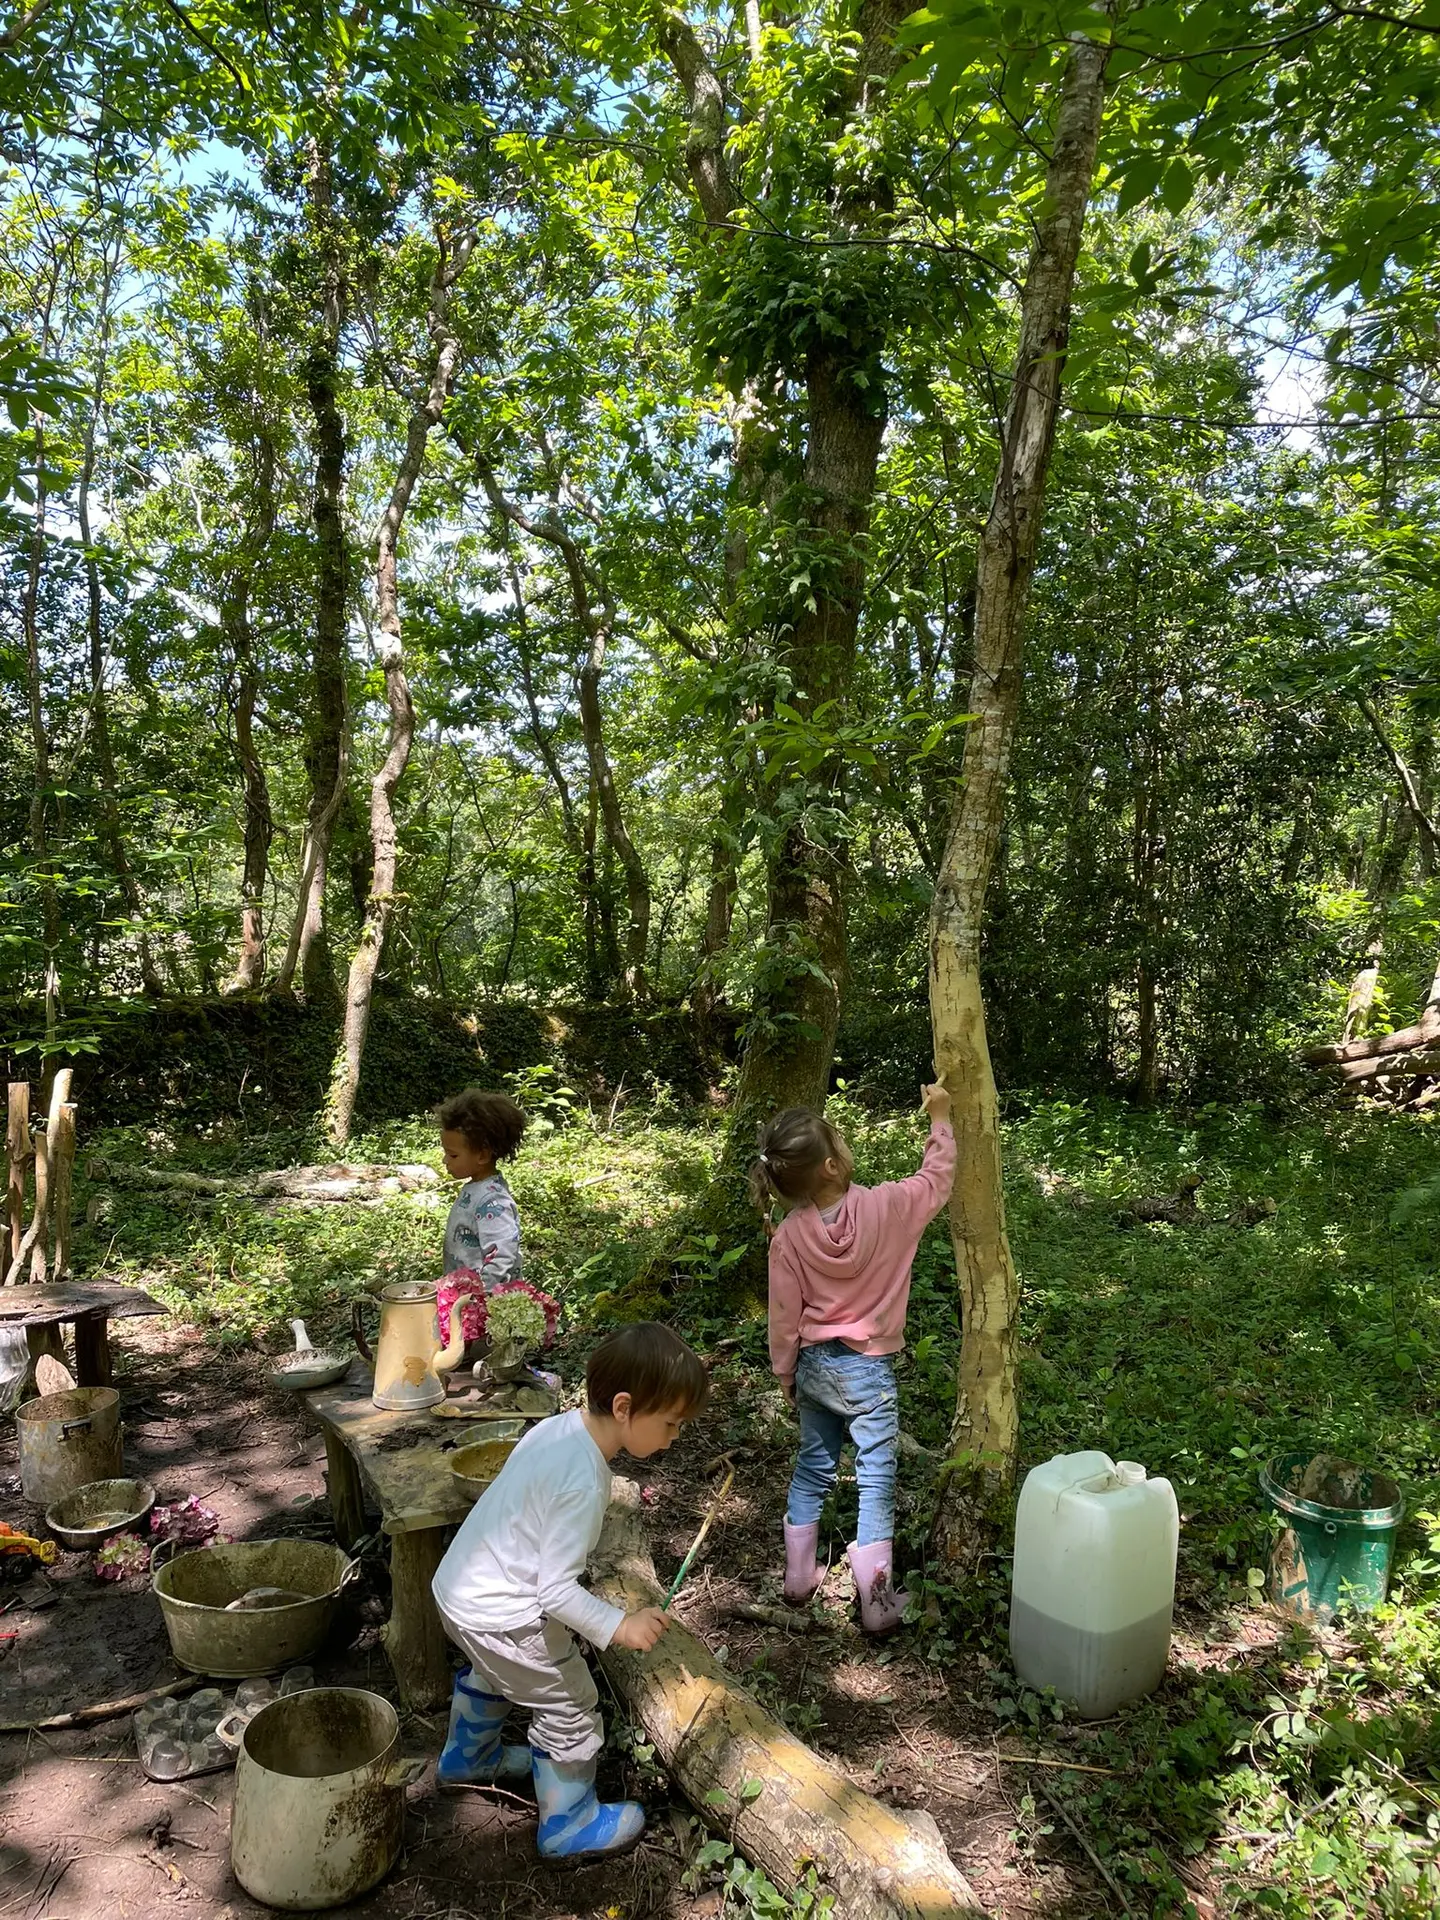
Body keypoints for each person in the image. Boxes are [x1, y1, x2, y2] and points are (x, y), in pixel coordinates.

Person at [430, 1321, 709, 1862]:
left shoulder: (557, 1429)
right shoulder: (584, 1478)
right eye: (672, 1424)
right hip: (503, 1613)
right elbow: (554, 1591)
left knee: (495, 1667)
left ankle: (468, 1760)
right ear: (625, 1407)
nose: (675, 1438)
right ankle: (569, 1823)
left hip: (461, 1592)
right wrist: (618, 1625)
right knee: (571, 1703)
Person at [753, 1084, 955, 1633]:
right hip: (868, 1369)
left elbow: (782, 1318)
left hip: (815, 1365)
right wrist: (940, 1119)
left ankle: (797, 1579)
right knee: (876, 1476)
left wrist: (786, 1374)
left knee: (813, 1464)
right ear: (833, 1164)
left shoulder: (789, 1237)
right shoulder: (888, 1206)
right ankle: (877, 1603)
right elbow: (936, 1181)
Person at [437, 1088, 527, 1366]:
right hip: (463, 1304)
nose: (445, 1161)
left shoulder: (493, 1201)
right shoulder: (476, 1188)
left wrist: (479, 1303)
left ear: (482, 1154)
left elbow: (501, 1257)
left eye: (452, 1155)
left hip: (485, 1312)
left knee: (483, 1365)